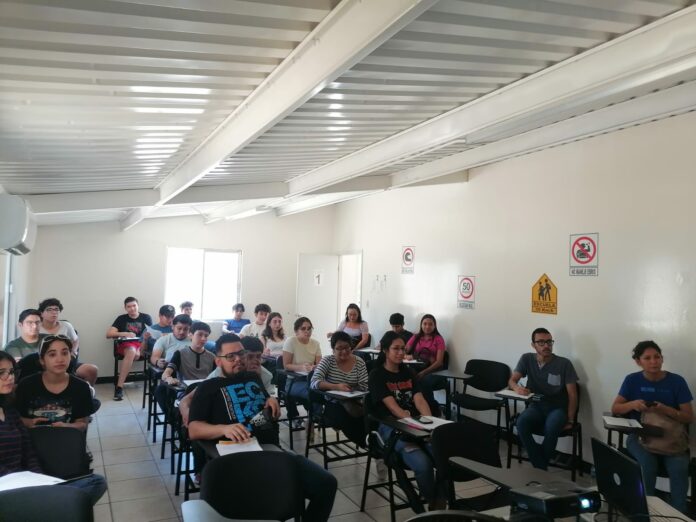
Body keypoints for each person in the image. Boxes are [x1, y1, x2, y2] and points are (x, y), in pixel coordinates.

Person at [187, 334, 337, 522]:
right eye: (231, 356)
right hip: (237, 456)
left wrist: (270, 400)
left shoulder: (254, 377)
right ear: (218, 361)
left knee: (326, 483)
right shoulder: (208, 387)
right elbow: (194, 429)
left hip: (272, 451)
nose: (238, 359)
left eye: (241, 353)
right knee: (257, 502)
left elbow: (264, 401)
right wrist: (224, 429)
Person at [0, 351, 106, 505]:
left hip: (27, 484)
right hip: (8, 490)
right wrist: (26, 485)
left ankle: (53, 505)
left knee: (96, 482)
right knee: (72, 500)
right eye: (1, 373)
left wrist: (40, 480)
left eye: (11, 372)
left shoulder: (10, 411)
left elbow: (29, 453)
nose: (9, 377)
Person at [611, 340, 693, 514]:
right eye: (647, 358)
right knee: (647, 465)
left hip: (671, 438)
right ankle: (644, 511)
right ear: (638, 361)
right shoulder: (632, 380)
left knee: (679, 469)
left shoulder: (677, 381)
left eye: (657, 357)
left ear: (662, 359)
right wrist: (633, 404)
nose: (654, 361)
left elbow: (688, 417)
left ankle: (678, 514)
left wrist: (664, 409)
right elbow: (615, 408)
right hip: (640, 436)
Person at [368, 330, 444, 509]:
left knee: (444, 457)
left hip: (415, 424)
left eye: (403, 348)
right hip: (392, 427)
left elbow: (420, 399)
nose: (401, 352)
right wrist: (415, 425)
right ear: (385, 350)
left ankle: (441, 501)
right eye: (396, 348)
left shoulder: (408, 372)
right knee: (423, 465)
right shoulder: (377, 375)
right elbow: (393, 407)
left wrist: (429, 423)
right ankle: (434, 504)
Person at [508, 327, 578, 470]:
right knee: (521, 423)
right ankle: (541, 465)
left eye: (549, 342)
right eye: (541, 342)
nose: (546, 346)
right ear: (533, 345)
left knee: (551, 427)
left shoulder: (564, 364)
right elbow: (512, 380)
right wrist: (517, 388)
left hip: (557, 408)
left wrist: (570, 420)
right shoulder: (527, 359)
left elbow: (572, 394)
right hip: (536, 406)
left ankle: (539, 468)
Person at [310, 331, 368, 446]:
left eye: (347, 347)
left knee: (368, 416)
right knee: (347, 418)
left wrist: (352, 389)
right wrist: (336, 387)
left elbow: (365, 385)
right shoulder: (327, 361)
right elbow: (314, 382)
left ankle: (373, 442)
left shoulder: (359, 362)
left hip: (355, 401)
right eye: (339, 348)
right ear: (333, 350)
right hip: (333, 403)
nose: (344, 351)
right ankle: (368, 445)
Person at [155, 321, 215, 413]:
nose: (203, 338)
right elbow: (165, 374)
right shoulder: (180, 353)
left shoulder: (212, 357)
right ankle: (173, 418)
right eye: (199, 335)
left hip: (206, 393)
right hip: (186, 393)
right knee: (160, 390)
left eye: (206, 336)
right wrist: (169, 378)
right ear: (190, 335)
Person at [38, 298, 98, 386]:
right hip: (45, 363)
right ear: (41, 313)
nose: (54, 312)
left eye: (56, 309)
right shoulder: (36, 328)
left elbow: (75, 340)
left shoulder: (66, 325)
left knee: (92, 370)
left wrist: (73, 351)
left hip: (67, 361)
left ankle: (87, 391)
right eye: (49, 310)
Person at [106, 296, 152, 401]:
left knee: (135, 352)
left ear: (138, 306)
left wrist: (140, 349)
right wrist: (125, 333)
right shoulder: (121, 318)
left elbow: (151, 335)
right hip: (126, 345)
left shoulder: (146, 317)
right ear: (125, 308)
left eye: (134, 306)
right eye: (129, 307)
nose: (132, 308)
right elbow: (108, 334)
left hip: (142, 344)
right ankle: (119, 387)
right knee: (132, 352)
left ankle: (119, 386)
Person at [282, 317, 322, 428]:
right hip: (294, 382)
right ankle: (316, 417)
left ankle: (316, 417)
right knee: (315, 392)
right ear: (296, 331)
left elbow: (320, 365)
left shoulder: (316, 343)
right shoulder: (291, 341)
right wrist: (302, 367)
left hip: (311, 379)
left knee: (323, 390)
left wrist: (314, 367)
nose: (307, 331)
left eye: (309, 328)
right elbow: (286, 365)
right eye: (303, 328)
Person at [405, 314, 447, 413]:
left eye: (430, 324)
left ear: (434, 326)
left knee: (422, 381)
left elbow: (439, 362)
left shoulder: (439, 339)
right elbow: (404, 351)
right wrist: (409, 356)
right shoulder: (415, 337)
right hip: (417, 368)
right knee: (406, 377)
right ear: (421, 325)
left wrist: (423, 373)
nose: (427, 326)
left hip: (435, 371)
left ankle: (432, 408)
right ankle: (414, 408)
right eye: (425, 324)